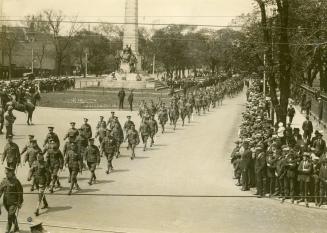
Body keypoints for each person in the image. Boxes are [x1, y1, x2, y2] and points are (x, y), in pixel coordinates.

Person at [0, 166, 24, 233]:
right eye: (6, 173)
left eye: (8, 173)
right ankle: (16, 227)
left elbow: (20, 193)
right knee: (12, 215)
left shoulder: (16, 181)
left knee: (10, 215)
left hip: (14, 202)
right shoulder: (4, 181)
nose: (6, 174)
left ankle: (7, 229)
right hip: (6, 202)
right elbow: (0, 191)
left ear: (11, 173)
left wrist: (20, 202)